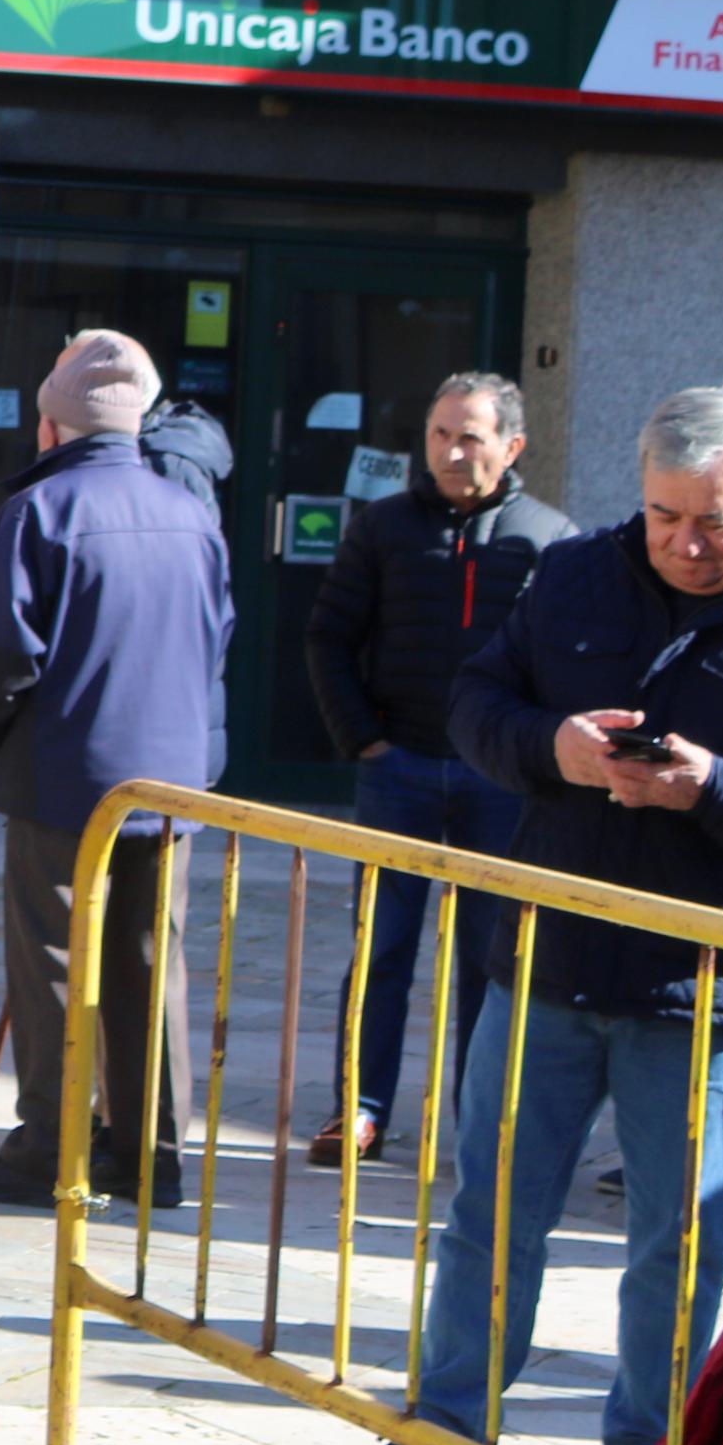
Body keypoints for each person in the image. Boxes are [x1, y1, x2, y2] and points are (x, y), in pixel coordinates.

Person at [335, 384, 723, 1445]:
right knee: (486, 1211)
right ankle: (446, 1432)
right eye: (664, 513)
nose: (684, 542)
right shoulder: (575, 568)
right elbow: (476, 702)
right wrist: (554, 748)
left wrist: (715, 789)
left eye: (713, 522)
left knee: (674, 1245)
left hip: (709, 989)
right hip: (544, 957)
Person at [0, 328, 231, 1211]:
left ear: (50, 424)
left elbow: (1, 653)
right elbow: (217, 639)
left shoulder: (37, 512)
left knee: (52, 961)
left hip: (62, 772)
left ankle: (52, 1148)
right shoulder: (191, 512)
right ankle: (150, 1153)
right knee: (154, 965)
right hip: (169, 781)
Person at [299, 369, 571, 1162]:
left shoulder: (550, 538)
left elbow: (563, 662)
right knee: (380, 949)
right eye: (439, 434)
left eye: (471, 436)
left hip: (499, 783)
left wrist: (531, 754)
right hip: (398, 768)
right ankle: (359, 1108)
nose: (452, 451)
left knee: (492, 958)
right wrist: (362, 739)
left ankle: (480, 1119)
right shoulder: (382, 528)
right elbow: (328, 637)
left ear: (511, 445)